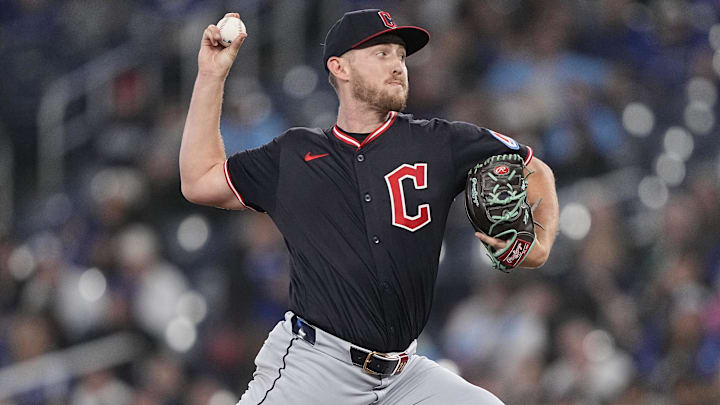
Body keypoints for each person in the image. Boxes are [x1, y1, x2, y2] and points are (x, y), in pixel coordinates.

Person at [179, 9, 559, 405]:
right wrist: (211, 75)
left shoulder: (439, 142)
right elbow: (199, 180)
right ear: (339, 66)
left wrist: (542, 241)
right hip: (316, 367)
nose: (397, 65)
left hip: (405, 374)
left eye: (400, 56)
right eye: (382, 54)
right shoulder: (294, 155)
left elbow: (533, 167)